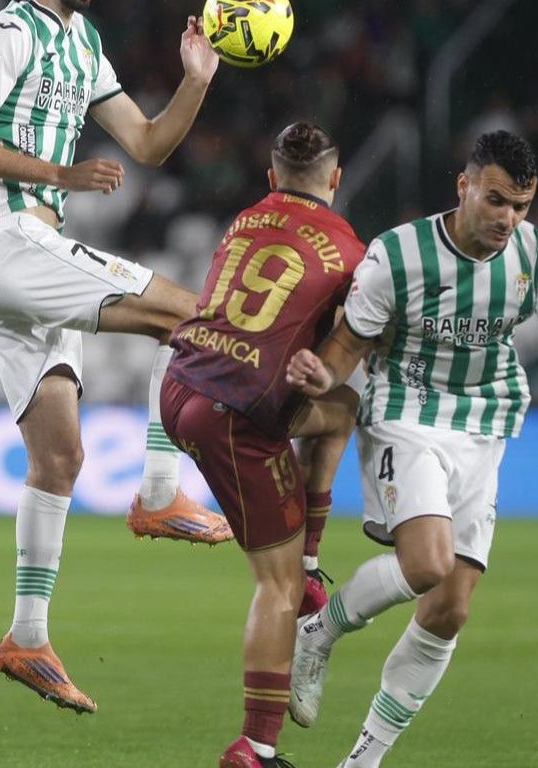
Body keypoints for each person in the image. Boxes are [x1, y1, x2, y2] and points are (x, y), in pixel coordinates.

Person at [0, 0, 230, 713]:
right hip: (9, 240)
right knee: (192, 315)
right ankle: (159, 489)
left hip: (21, 268)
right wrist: (60, 175)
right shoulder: (7, 32)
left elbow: (148, 143)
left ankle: (26, 638)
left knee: (59, 458)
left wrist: (196, 82)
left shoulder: (85, 44)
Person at [284, 131, 538, 766]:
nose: (508, 218)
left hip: (484, 422)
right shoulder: (397, 255)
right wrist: (320, 374)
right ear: (464, 186)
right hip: (405, 411)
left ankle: (363, 760)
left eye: (520, 206)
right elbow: (348, 346)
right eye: (496, 200)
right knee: (427, 564)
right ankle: (318, 630)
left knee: (448, 611)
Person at [158, 122, 364, 767]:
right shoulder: (348, 250)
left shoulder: (245, 220)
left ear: (272, 178)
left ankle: (309, 571)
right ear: (336, 178)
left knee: (340, 413)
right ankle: (256, 746)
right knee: (274, 582)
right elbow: (345, 343)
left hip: (178, 388)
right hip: (236, 414)